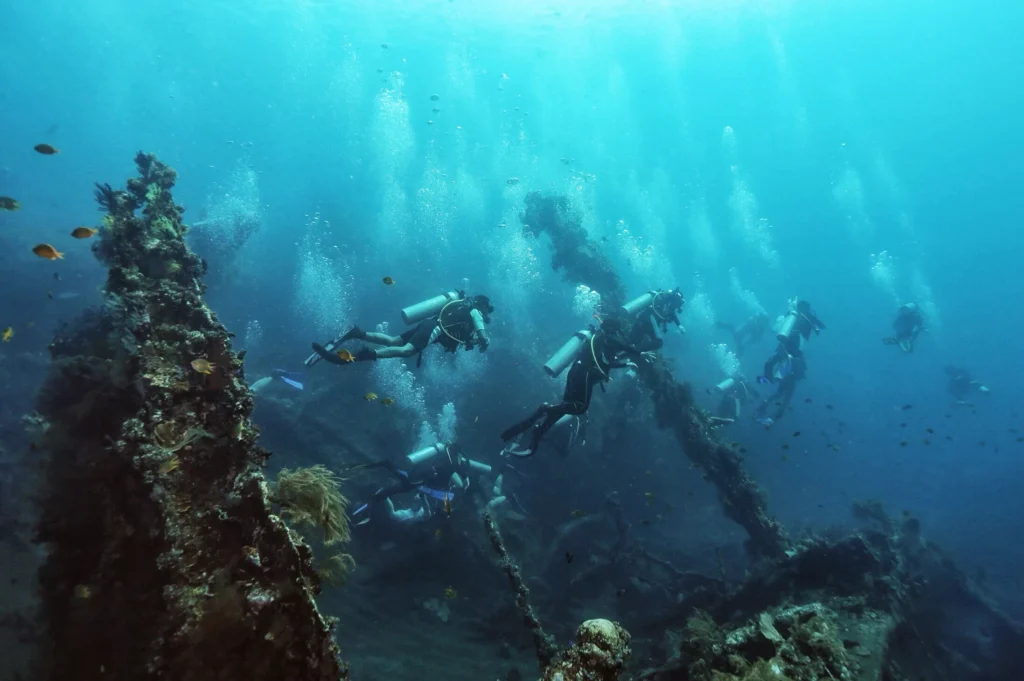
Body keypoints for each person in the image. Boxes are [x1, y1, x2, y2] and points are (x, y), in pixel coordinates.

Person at [501, 317, 652, 457]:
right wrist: (640, 353)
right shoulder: (606, 337)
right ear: (613, 329)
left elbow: (607, 362)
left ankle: (534, 442)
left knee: (564, 408)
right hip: (584, 374)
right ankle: (544, 409)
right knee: (579, 408)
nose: (619, 333)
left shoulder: (598, 340)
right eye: (618, 330)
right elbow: (622, 345)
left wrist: (626, 364)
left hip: (576, 372)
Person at [305, 292, 493, 368]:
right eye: (487, 309)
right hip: (435, 329)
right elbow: (482, 334)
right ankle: (357, 356)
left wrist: (470, 341)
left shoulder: (461, 308)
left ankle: (356, 333)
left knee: (394, 341)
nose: (486, 314)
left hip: (428, 324)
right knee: (406, 351)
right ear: (482, 305)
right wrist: (485, 341)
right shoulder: (474, 311)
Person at [348, 441, 506, 526]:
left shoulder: (438, 497)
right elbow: (439, 498)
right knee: (403, 483)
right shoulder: (436, 502)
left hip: (425, 480)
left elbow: (437, 497)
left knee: (403, 482)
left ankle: (386, 470)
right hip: (426, 481)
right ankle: (385, 472)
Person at [753, 345, 807, 427]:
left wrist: (768, 377)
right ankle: (773, 419)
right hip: (791, 379)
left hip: (783, 378)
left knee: (778, 394)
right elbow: (804, 368)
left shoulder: (785, 353)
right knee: (786, 400)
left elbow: (769, 363)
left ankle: (765, 403)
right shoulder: (798, 355)